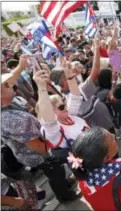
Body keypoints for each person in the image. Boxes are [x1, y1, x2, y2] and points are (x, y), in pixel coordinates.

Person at [1, 55, 80, 203]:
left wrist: (22, 66)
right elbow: (38, 146)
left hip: (40, 148)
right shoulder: (11, 119)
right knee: (54, 171)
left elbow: (10, 80)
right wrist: (55, 148)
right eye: (6, 86)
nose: (11, 85)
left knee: (57, 172)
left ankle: (63, 185)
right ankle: (64, 196)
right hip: (42, 153)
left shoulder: (6, 107)